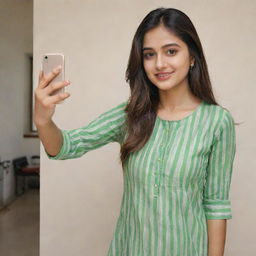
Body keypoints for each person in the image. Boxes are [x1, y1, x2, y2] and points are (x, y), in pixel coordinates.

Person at [34, 7, 236, 256]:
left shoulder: (217, 121)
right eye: (149, 55)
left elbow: (215, 204)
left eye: (171, 51)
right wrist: (43, 121)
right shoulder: (131, 115)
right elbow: (66, 146)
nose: (159, 64)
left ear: (192, 57)